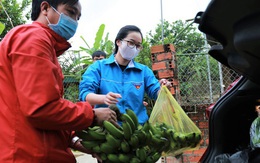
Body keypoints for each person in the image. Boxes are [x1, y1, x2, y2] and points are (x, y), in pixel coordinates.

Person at [0, 0, 118, 162]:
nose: (74, 22)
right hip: (28, 155)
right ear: (45, 8)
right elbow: (41, 109)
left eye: (78, 17)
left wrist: (75, 140)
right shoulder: (33, 39)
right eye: (70, 12)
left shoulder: (42, 43)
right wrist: (91, 115)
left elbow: (46, 114)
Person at [79, 25, 171, 125]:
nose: (134, 48)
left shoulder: (143, 71)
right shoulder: (98, 67)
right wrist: (104, 98)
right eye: (131, 43)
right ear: (118, 42)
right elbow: (85, 94)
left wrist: (163, 89)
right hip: (107, 129)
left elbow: (155, 92)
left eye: (138, 45)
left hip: (137, 129)